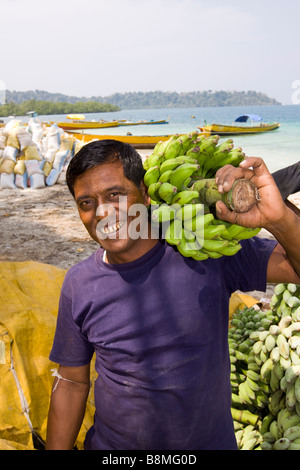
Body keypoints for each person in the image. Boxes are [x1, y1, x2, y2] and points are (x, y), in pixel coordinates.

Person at [46, 140, 300, 450]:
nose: (102, 212)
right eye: (86, 202)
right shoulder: (79, 283)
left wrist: (280, 220)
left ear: (146, 193)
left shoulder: (205, 251)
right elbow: (71, 381)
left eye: (115, 194)